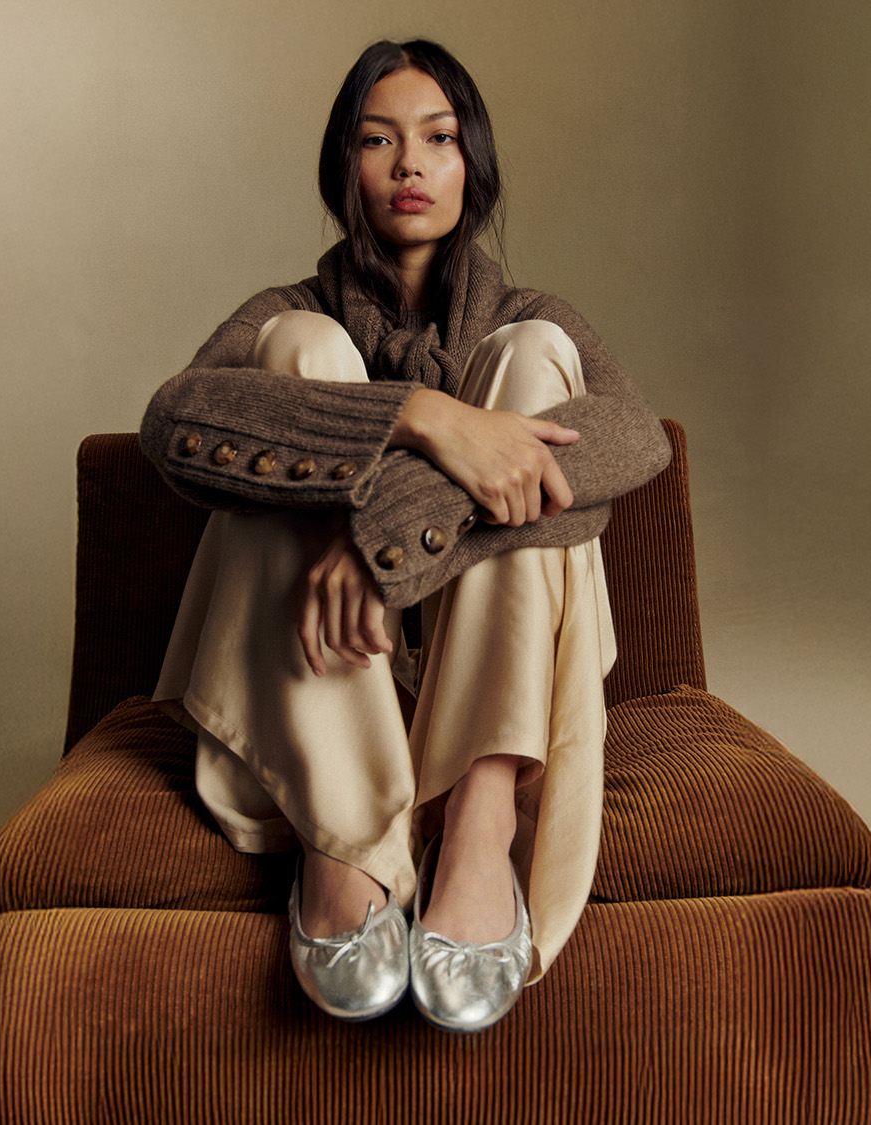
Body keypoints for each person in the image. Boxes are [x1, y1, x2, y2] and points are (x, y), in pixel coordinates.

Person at [140, 38, 669, 1032]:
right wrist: (419, 421)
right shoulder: (285, 310)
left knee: (534, 363)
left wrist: (386, 534)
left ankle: (478, 822)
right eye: (377, 141)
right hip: (319, 676)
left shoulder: (526, 316)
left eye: (437, 138)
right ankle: (342, 840)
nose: (410, 164)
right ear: (344, 170)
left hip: (479, 690)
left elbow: (629, 444)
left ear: (472, 163)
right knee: (293, 358)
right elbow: (174, 426)